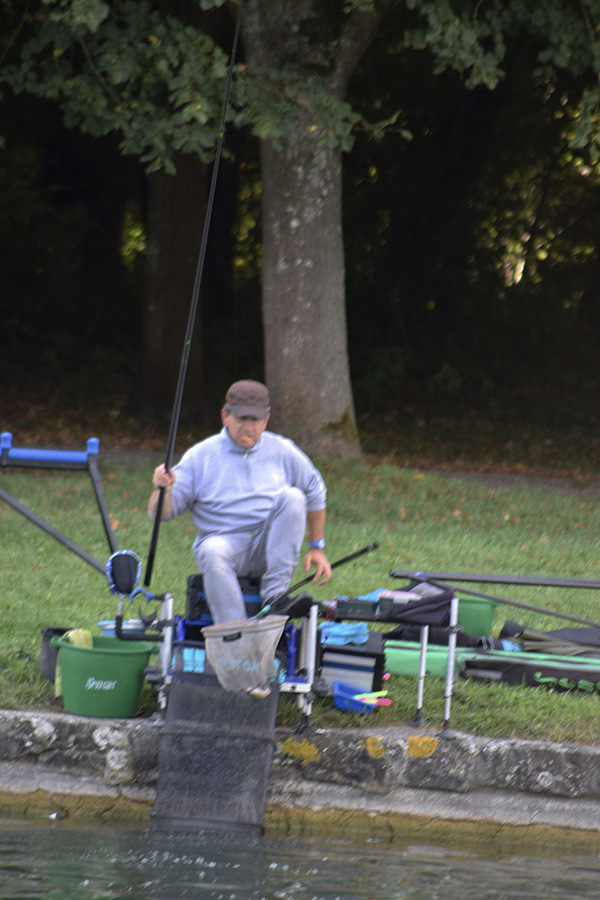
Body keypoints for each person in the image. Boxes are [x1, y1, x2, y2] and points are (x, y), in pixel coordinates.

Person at [148, 379, 332, 624]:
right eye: (241, 419)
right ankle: (233, 632)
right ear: (225, 416)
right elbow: (161, 513)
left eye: (255, 420)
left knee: (294, 497)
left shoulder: (283, 450)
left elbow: (315, 490)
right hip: (225, 547)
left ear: (265, 420)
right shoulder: (200, 456)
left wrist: (316, 546)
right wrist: (162, 489)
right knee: (212, 549)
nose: (248, 428)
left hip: (270, 548)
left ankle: (275, 598)